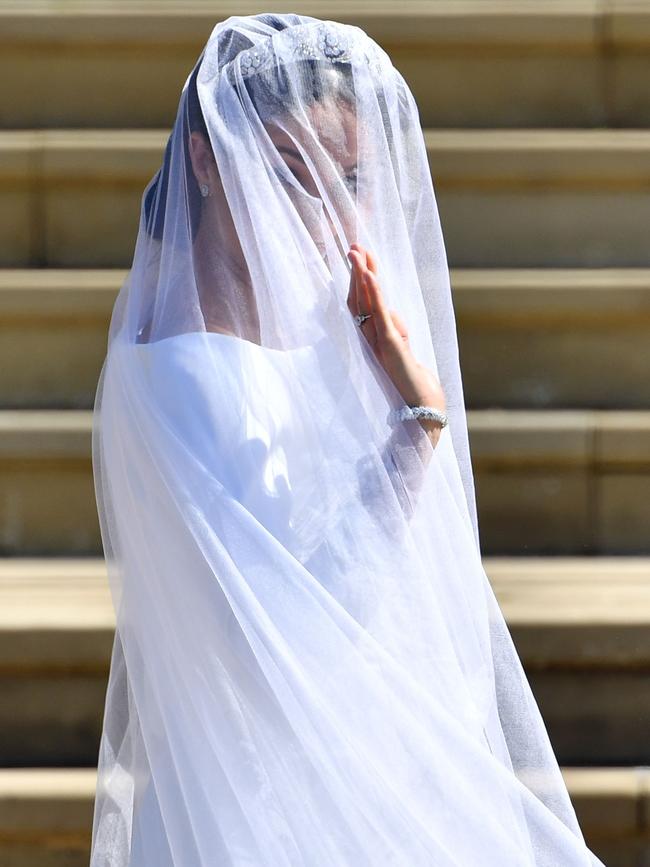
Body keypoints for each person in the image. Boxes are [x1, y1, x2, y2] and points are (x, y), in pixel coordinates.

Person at [89, 13, 606, 866]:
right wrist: (416, 424)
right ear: (209, 158)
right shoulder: (179, 377)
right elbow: (288, 644)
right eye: (294, 172)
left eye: (352, 175)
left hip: (369, 775)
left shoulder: (332, 336)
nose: (327, 210)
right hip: (260, 819)